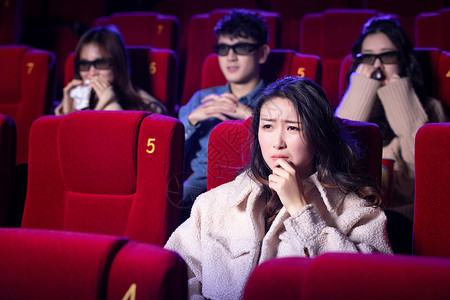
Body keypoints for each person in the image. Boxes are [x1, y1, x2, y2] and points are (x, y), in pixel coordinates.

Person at [166, 77, 393, 300]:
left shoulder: (356, 209)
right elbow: (174, 276)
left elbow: (370, 286)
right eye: (267, 126)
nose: (277, 142)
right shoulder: (215, 203)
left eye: (293, 128)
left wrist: (300, 210)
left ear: (319, 136)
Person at [335, 16, 447, 220]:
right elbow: (332, 160)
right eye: (368, 58)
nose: (377, 66)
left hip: (408, 216)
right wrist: (360, 93)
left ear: (403, 61)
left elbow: (426, 178)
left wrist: (400, 98)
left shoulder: (432, 108)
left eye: (387, 57)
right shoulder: (349, 104)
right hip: (356, 216)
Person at [179, 9, 270, 220]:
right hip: (200, 186)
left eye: (241, 47)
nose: (230, 57)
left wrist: (249, 116)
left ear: (262, 53)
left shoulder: (277, 99)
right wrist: (191, 120)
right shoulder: (202, 98)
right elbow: (168, 155)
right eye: (223, 48)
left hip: (254, 184)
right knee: (167, 203)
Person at [55, 25, 167, 115]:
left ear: (118, 64)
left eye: (101, 63)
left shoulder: (148, 107)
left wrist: (110, 104)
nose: (92, 73)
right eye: (84, 65)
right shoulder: (76, 102)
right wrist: (66, 115)